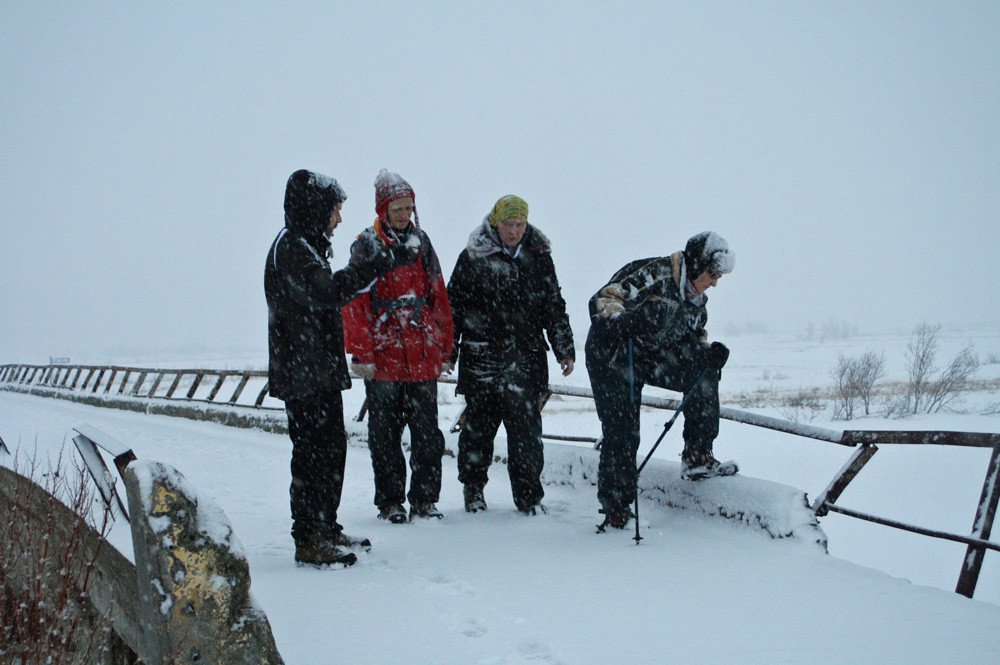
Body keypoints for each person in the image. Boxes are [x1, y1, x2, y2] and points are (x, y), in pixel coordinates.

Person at [265, 169, 416, 567]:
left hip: (316, 369)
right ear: (316, 209)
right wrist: (373, 266)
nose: (339, 218)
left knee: (330, 450)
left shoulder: (305, 245)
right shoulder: (293, 249)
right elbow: (326, 293)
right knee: (314, 454)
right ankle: (310, 537)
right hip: (303, 373)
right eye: (335, 210)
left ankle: (325, 526)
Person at [585, 231, 737, 530]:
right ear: (697, 264)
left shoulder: (697, 300)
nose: (715, 282)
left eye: (719, 276)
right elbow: (604, 298)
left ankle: (697, 455)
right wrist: (623, 321)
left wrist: (708, 354)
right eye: (712, 274)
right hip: (614, 352)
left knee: (703, 370)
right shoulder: (654, 273)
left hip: (651, 356)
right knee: (623, 430)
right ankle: (617, 508)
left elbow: (694, 338)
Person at [447, 195, 575, 515]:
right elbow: (453, 308)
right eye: (508, 224)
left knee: (527, 436)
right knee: (478, 430)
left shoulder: (539, 256)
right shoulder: (473, 256)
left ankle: (529, 498)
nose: (514, 230)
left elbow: (553, 306)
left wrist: (564, 349)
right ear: (496, 222)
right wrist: (448, 352)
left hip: (526, 358)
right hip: (482, 357)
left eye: (520, 224)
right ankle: (473, 490)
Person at [342, 170, 454, 523]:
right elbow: (354, 302)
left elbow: (439, 295)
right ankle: (390, 502)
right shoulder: (366, 245)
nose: (404, 215)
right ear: (382, 209)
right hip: (385, 354)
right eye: (397, 208)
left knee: (427, 435)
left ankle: (425, 499)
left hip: (421, 352)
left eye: (409, 207)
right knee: (385, 435)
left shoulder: (423, 243)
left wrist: (444, 345)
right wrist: (362, 351)